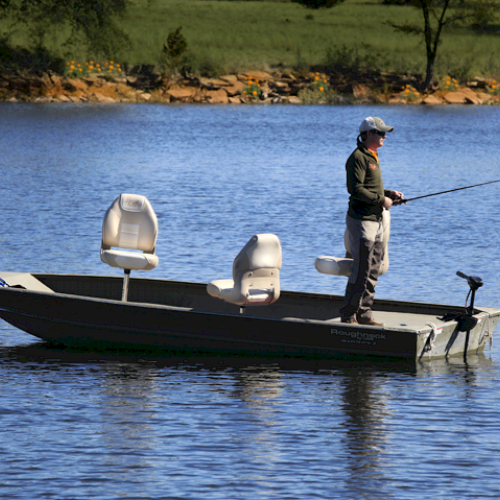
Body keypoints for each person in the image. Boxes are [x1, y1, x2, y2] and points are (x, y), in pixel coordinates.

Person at [340, 116, 404, 326]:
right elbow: (355, 190)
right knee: (362, 268)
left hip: (375, 220)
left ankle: (364, 314)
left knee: (374, 267)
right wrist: (381, 200)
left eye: (385, 132)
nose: (385, 136)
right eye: (380, 132)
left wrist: (389, 194)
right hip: (361, 221)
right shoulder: (358, 157)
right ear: (367, 134)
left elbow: (371, 188)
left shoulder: (372, 156)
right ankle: (349, 315)